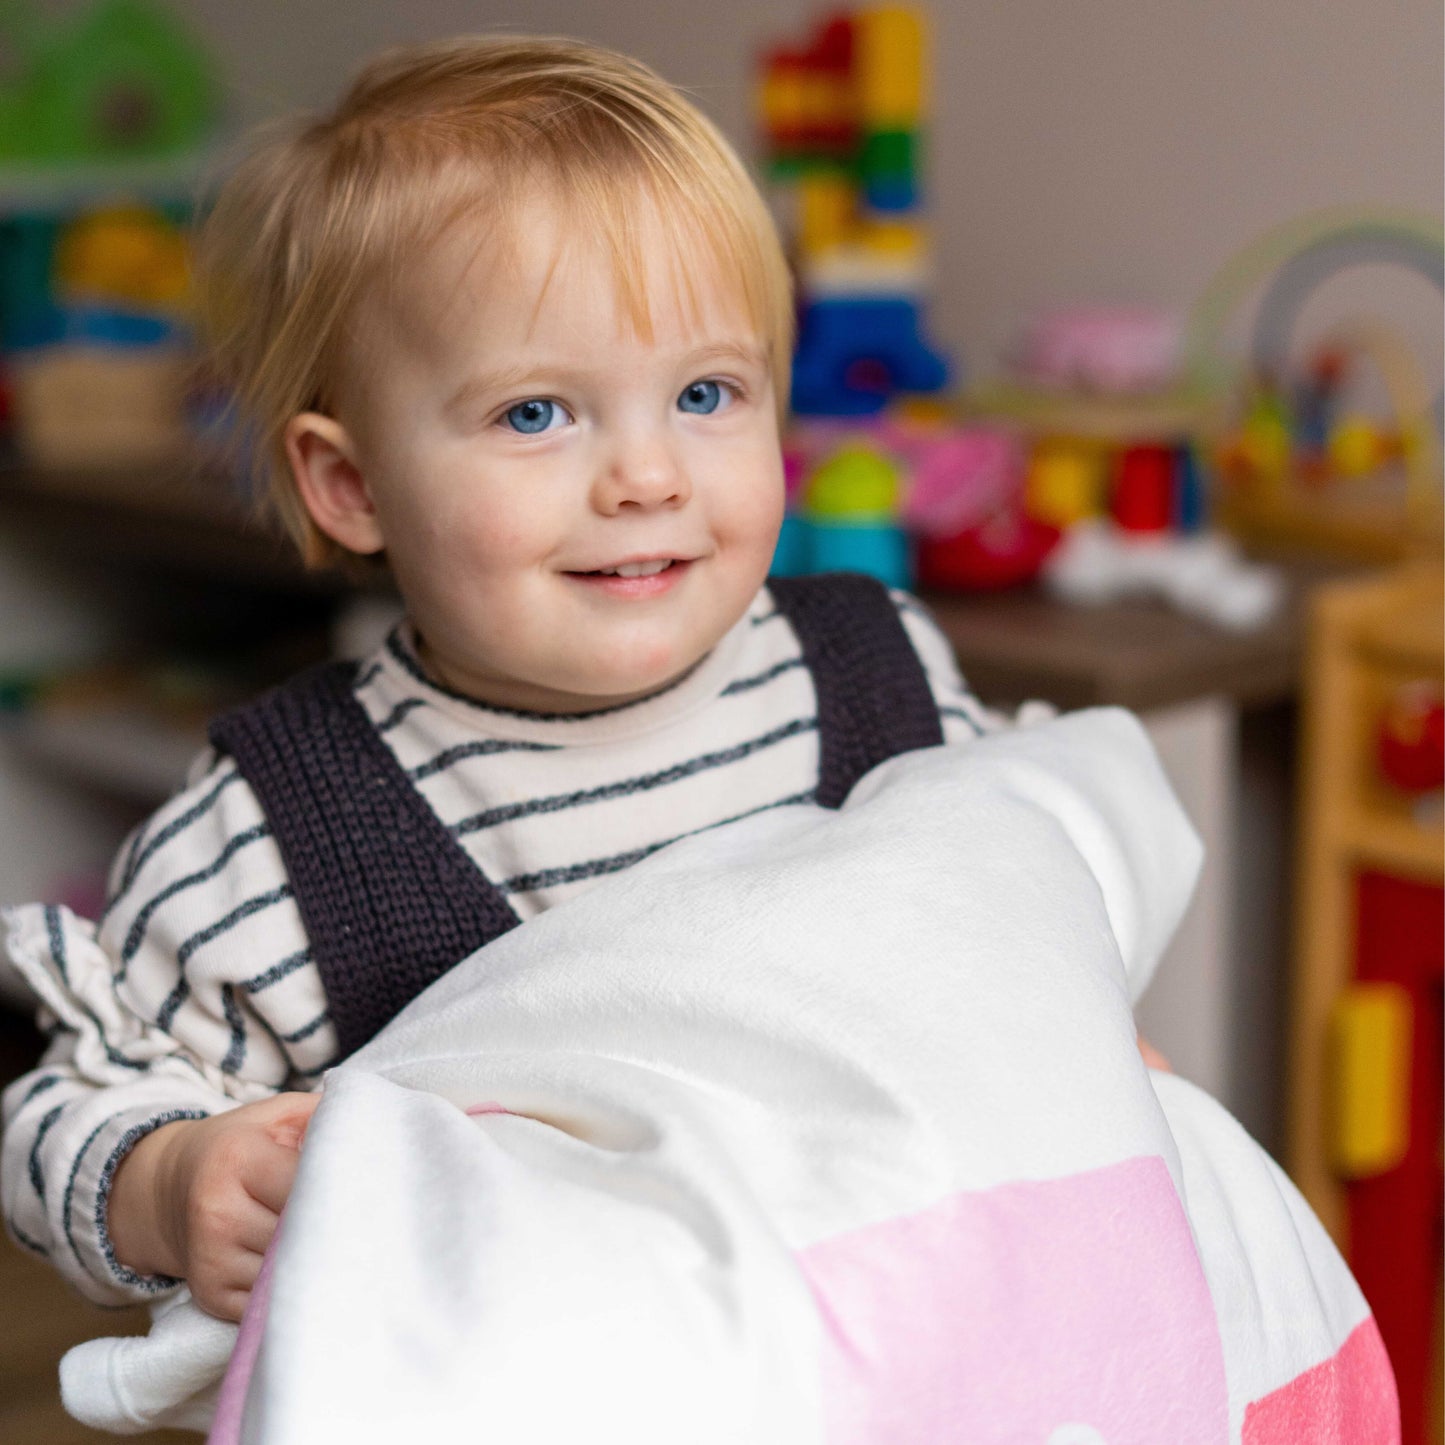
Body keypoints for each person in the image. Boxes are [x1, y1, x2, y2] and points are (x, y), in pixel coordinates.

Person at [1, 36, 1009, 1324]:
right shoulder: (276, 836)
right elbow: (62, 1109)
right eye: (536, 413)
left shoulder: (883, 670)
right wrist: (170, 1176)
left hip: (886, 1347)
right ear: (352, 485)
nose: (647, 477)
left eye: (707, 391)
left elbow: (999, 911)